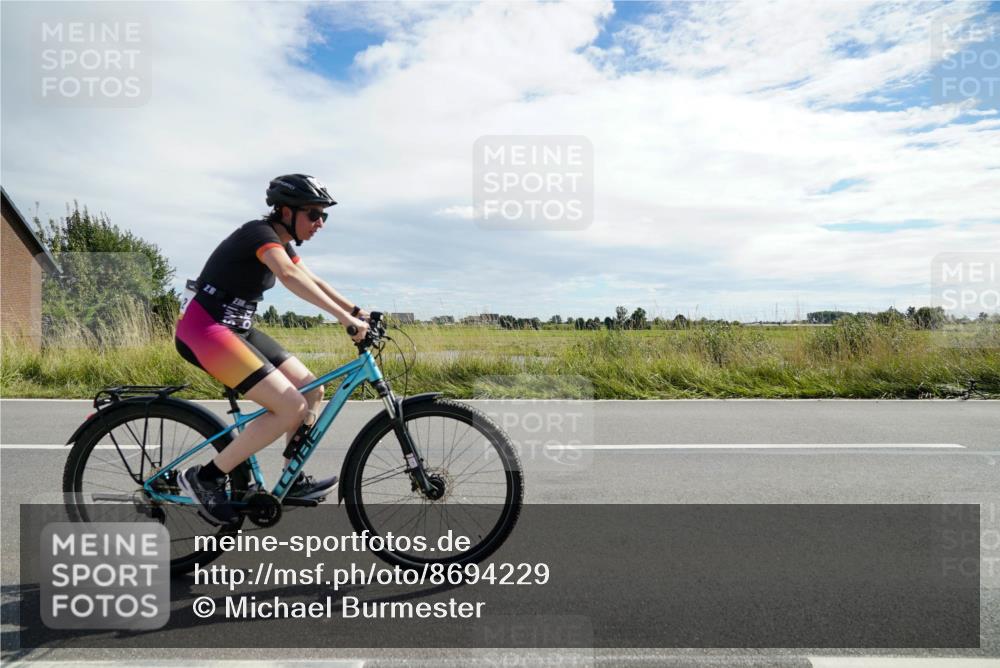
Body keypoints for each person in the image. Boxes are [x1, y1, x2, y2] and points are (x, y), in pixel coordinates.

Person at [174, 174, 369, 525]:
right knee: (289, 406)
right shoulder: (258, 234)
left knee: (311, 389)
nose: (320, 223)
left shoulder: (281, 242)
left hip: (237, 328)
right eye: (313, 214)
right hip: (204, 329)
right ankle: (206, 478)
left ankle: (290, 480)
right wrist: (344, 320)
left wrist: (356, 311)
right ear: (284, 211)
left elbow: (312, 280)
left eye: (324, 215)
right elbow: (289, 278)